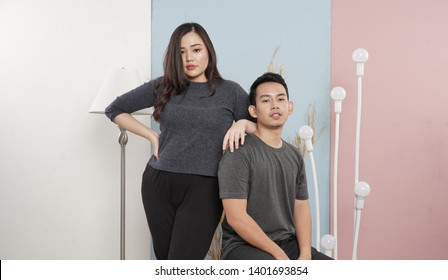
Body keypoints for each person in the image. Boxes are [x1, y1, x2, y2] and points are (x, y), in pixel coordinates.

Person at [105, 22, 255, 260]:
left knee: (183, 264)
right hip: (158, 183)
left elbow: (259, 127)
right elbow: (115, 109)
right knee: (166, 262)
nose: (189, 58)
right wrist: (151, 134)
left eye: (196, 50)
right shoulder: (164, 86)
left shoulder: (231, 91)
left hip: (205, 188)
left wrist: (243, 123)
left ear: (208, 51)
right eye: (181, 52)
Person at [218, 72, 332, 260]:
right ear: (253, 111)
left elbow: (301, 208)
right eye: (265, 100)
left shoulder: (294, 155)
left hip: (287, 243)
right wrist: (278, 254)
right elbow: (236, 218)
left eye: (280, 99)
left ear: (290, 106)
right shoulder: (238, 151)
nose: (275, 105)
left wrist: (305, 254)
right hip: (243, 246)